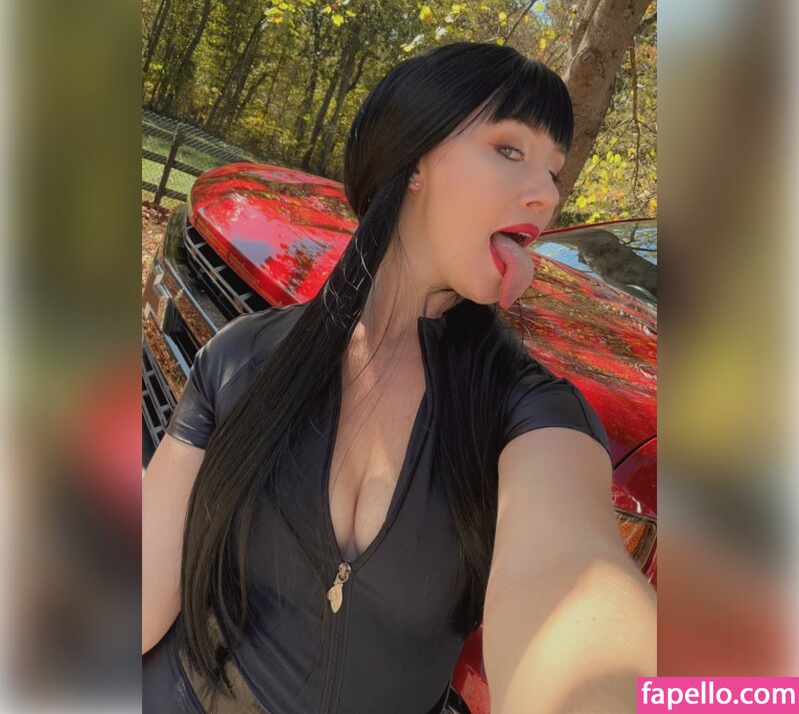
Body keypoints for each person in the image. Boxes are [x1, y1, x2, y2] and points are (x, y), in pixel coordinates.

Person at [142, 41, 656, 713]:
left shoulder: (535, 415)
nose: (547, 195)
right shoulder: (241, 355)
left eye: (554, 172)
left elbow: (573, 582)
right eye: (510, 150)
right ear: (413, 159)